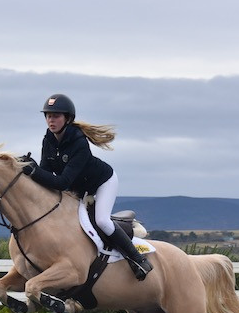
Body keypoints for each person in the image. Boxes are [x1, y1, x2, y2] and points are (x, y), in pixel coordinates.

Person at [22, 93, 153, 280]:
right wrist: (29, 171)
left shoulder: (78, 142)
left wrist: (34, 171)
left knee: (101, 221)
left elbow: (61, 182)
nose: (51, 120)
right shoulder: (48, 140)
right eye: (48, 116)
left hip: (102, 183)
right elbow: (45, 173)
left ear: (67, 119)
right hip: (78, 189)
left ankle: (138, 259)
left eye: (56, 116)